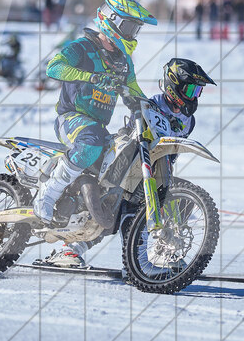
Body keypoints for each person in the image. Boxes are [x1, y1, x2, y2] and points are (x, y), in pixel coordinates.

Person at [40, 57, 216, 268]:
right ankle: (73, 249)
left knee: (181, 201)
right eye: (190, 91)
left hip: (155, 170)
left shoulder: (190, 121)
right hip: (128, 164)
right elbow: (134, 132)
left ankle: (165, 251)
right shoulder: (150, 104)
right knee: (119, 209)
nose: (194, 97)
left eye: (197, 92)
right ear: (173, 85)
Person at [33, 0, 157, 240]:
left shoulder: (124, 63)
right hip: (71, 118)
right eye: (130, 27)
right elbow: (53, 67)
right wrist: (90, 77)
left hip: (98, 126)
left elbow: (134, 91)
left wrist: (153, 108)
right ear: (112, 21)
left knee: (115, 177)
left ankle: (76, 242)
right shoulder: (81, 47)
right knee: (91, 141)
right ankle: (47, 193)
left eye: (136, 29)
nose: (133, 34)